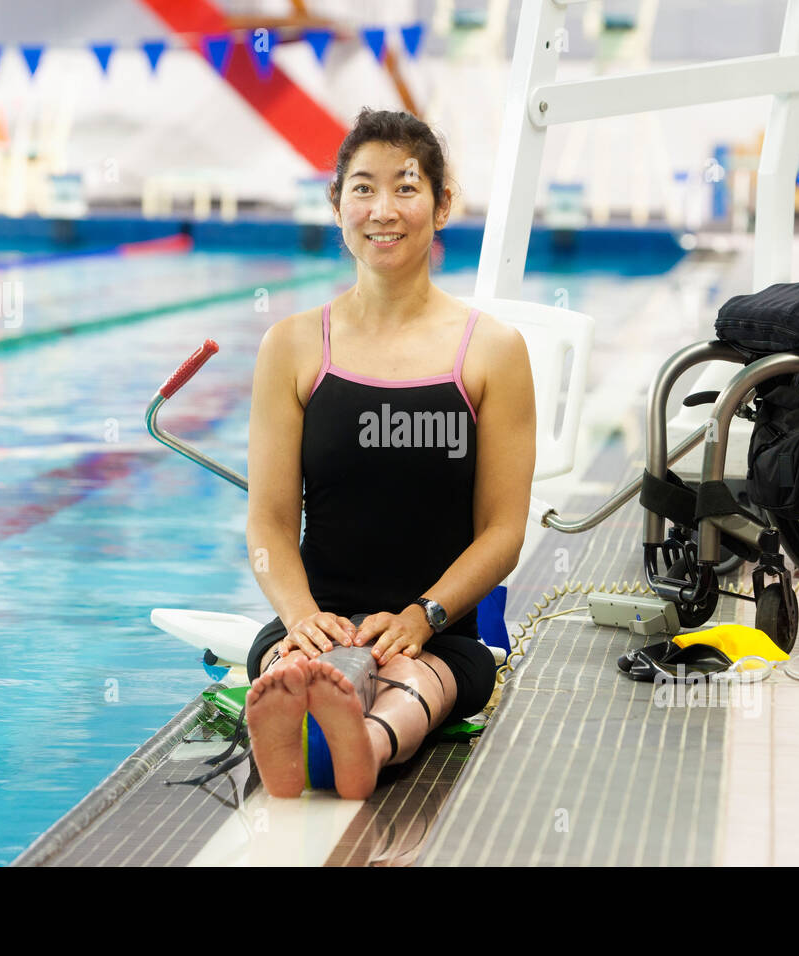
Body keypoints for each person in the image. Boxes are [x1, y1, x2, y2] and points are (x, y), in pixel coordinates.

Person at [242, 108, 536, 800]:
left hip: (436, 632)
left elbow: (503, 531)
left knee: (417, 680)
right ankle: (320, 707)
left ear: (442, 206)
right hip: (318, 621)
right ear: (337, 204)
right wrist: (300, 618)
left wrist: (421, 617)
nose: (383, 210)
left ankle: (363, 743)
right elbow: (269, 525)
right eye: (363, 188)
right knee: (291, 665)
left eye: (406, 188)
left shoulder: (491, 351)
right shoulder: (292, 346)